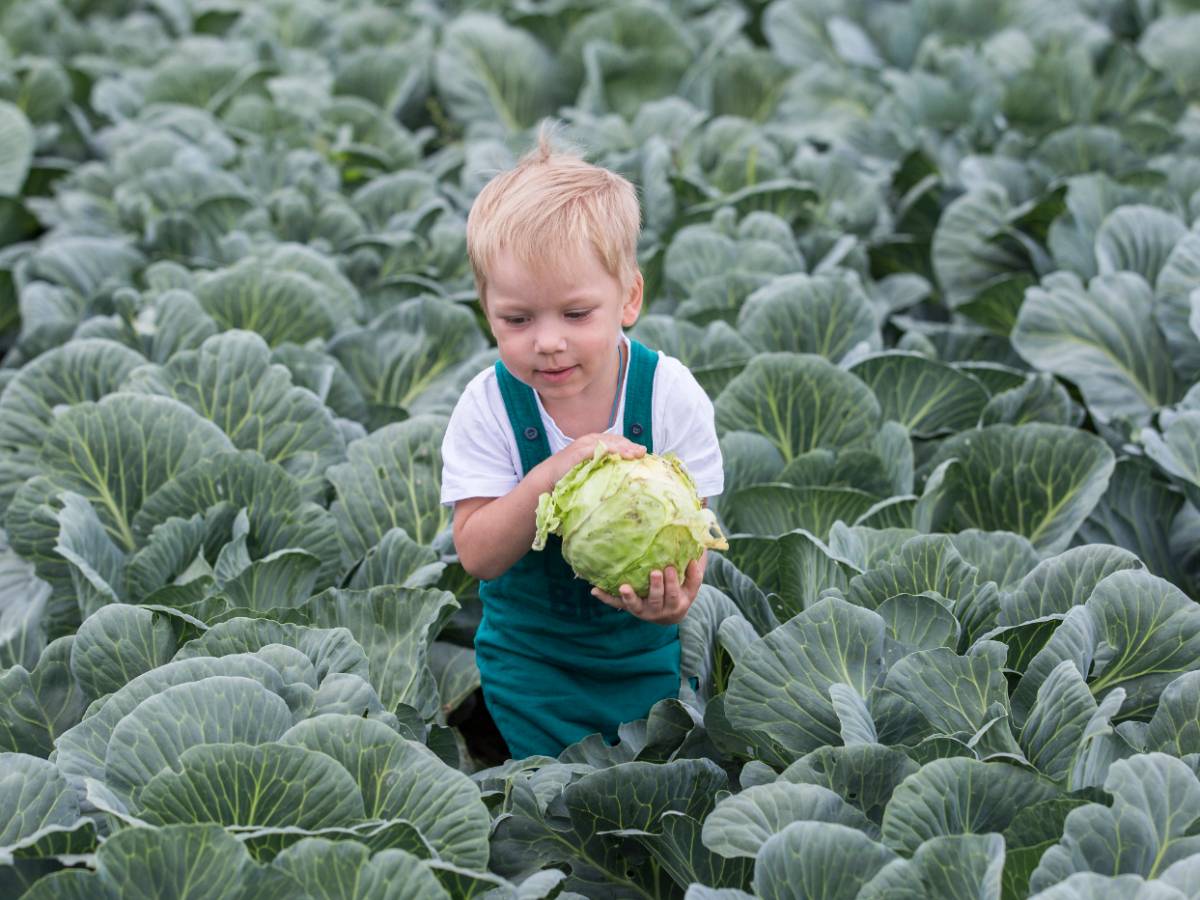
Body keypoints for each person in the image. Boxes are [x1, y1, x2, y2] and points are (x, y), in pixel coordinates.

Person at [439, 122, 724, 760]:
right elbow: (478, 554)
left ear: (628, 298)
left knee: (645, 794)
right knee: (550, 808)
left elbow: (694, 534)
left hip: (645, 659)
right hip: (530, 669)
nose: (548, 341)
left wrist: (675, 602)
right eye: (517, 319)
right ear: (486, 309)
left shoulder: (667, 393)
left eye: (575, 314)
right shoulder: (489, 407)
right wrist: (554, 473)